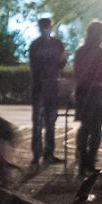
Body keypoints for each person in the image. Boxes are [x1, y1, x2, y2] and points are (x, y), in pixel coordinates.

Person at [27, 17, 68, 165]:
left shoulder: (57, 44)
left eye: (47, 26)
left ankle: (48, 153)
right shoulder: (35, 45)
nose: (45, 29)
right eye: (42, 26)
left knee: (50, 121)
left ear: (50, 27)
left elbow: (61, 64)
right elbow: (34, 67)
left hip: (52, 86)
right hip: (39, 87)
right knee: (37, 121)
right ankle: (37, 154)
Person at [72, 21, 102, 175]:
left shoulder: (80, 51)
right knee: (96, 129)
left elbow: (77, 72)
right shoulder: (98, 51)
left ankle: (83, 162)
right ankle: (90, 161)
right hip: (95, 92)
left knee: (84, 127)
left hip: (82, 92)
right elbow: (101, 73)